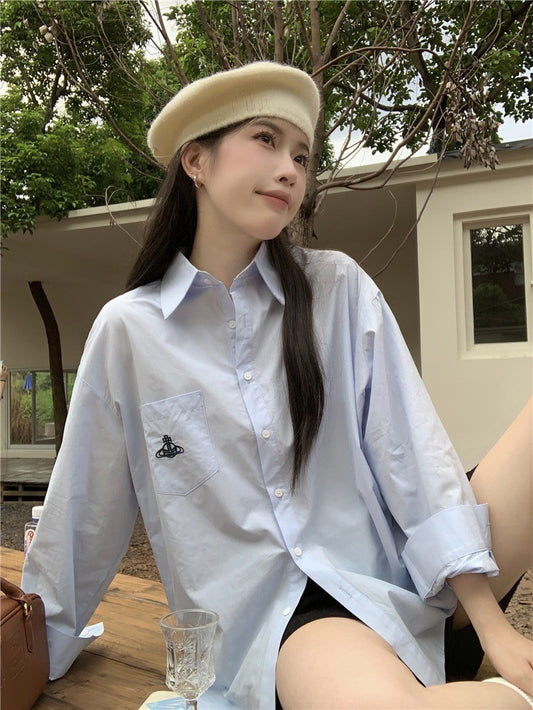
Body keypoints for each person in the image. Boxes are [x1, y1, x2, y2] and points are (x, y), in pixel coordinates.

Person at [22, 62, 532, 709]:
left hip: (420, 579)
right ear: (196, 160)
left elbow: (411, 454)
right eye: (265, 139)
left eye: (300, 154)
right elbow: (83, 511)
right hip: (310, 623)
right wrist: (37, 647)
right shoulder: (130, 332)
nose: (290, 168)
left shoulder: (337, 289)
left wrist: (491, 624)